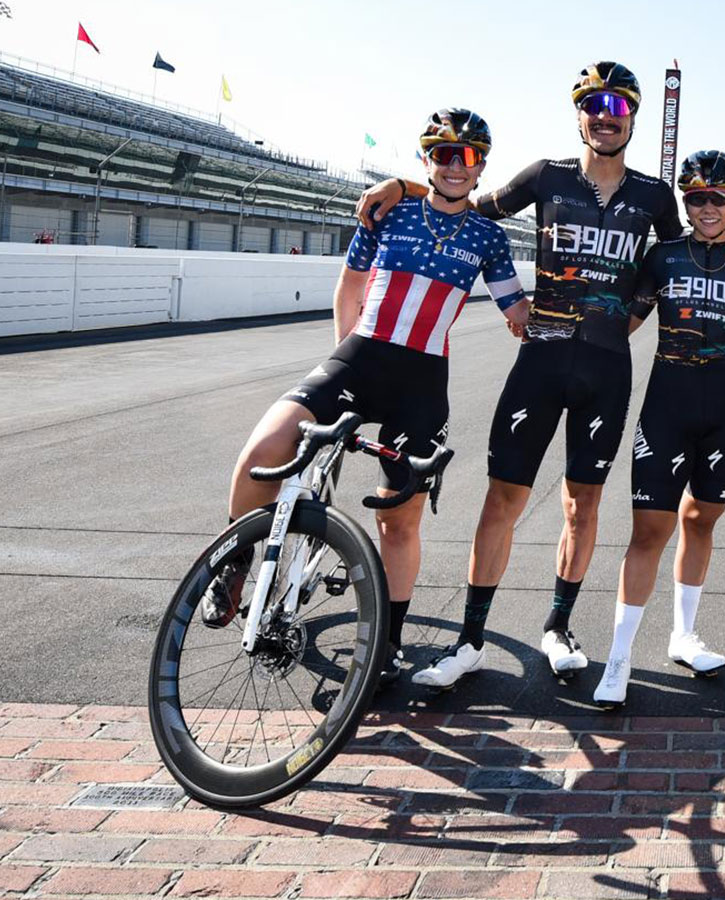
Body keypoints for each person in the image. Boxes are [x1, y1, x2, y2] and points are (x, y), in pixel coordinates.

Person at [354, 63, 725, 688]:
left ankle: (558, 626)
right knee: (503, 500)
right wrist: (405, 184)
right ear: (578, 114)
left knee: (583, 505)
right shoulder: (546, 176)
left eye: (617, 104)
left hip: (606, 369)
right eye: (592, 103)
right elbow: (465, 200)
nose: (605, 114)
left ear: (632, 116)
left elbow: (692, 246)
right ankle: (469, 641)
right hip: (541, 364)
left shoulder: (655, 196)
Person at [201, 109, 526, 685]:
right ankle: (235, 563)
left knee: (398, 521)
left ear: (482, 167)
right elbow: (350, 285)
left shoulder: (489, 237)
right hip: (359, 357)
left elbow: (519, 313)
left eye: (469, 156)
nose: (455, 165)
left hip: (422, 382)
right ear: (425, 158)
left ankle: (388, 643)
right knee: (262, 451)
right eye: (442, 153)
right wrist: (341, 361)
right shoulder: (388, 210)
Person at [592, 151, 725, 708]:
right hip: (667, 407)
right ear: (685, 202)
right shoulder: (662, 257)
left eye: (718, 197)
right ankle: (620, 655)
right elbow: (623, 326)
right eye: (696, 197)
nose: (707, 207)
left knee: (700, 521)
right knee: (649, 532)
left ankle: (683, 636)